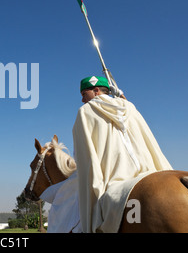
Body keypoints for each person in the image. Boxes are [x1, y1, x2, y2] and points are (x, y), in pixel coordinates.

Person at [72, 76, 172, 232]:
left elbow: (83, 156)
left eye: (84, 94)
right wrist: (122, 98)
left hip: (114, 177)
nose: (82, 99)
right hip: (150, 168)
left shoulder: (84, 112)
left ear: (96, 91)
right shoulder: (129, 107)